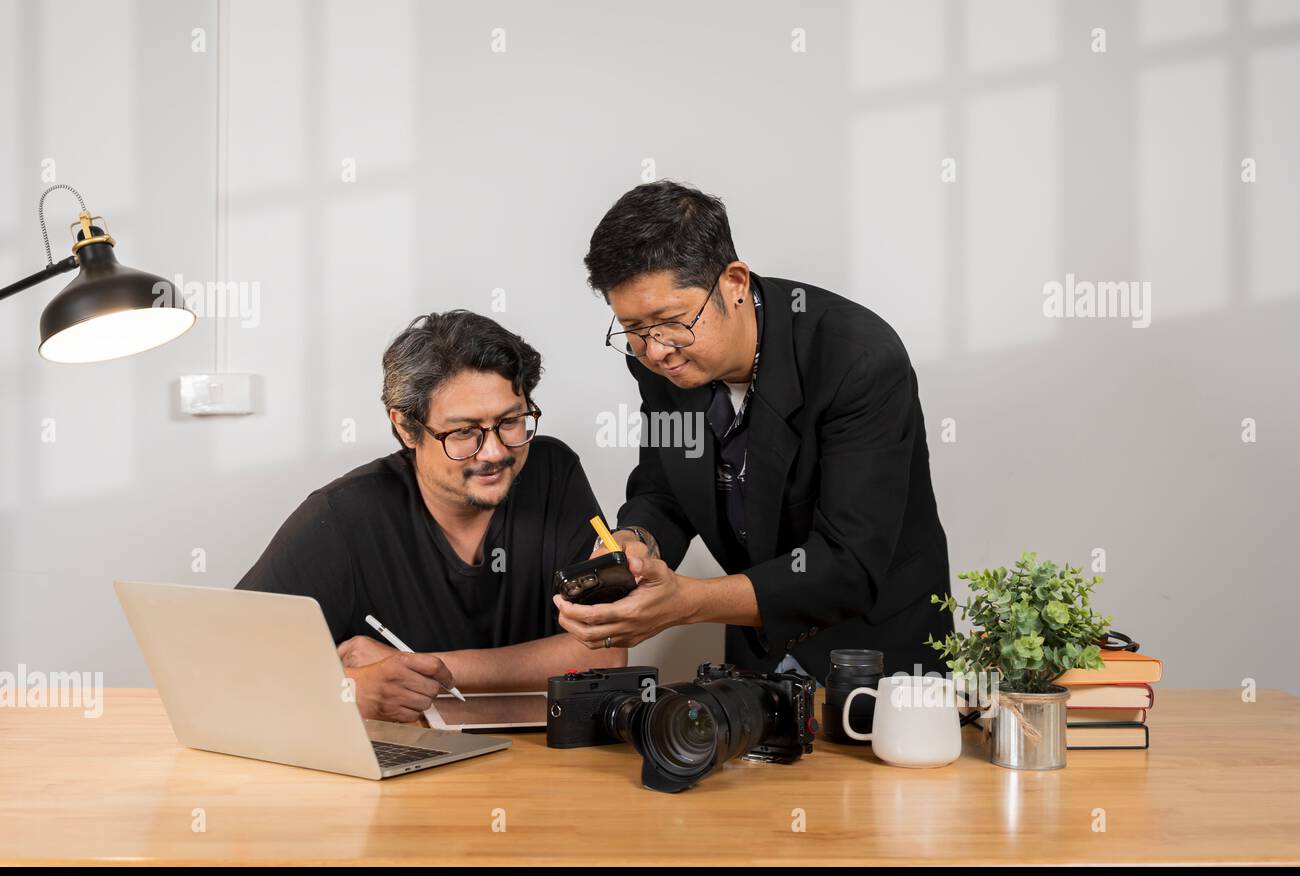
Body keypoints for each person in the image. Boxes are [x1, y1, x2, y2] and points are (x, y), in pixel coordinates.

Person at [555, 181, 952, 682]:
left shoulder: (859, 359)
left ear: (735, 283)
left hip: (877, 651)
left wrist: (687, 602)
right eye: (632, 329)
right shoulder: (665, 364)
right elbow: (666, 489)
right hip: (758, 648)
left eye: (670, 322)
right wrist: (635, 544)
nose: (655, 351)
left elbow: (847, 564)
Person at [238, 311, 624, 722]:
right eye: (463, 432)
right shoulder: (343, 515)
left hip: (543, 760)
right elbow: (229, 657)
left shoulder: (553, 472)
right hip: (401, 768)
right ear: (406, 427)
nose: (495, 452)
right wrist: (345, 691)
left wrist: (423, 670)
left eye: (511, 421)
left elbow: (607, 649)